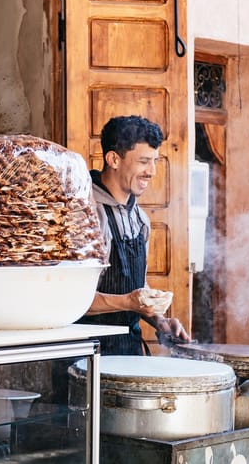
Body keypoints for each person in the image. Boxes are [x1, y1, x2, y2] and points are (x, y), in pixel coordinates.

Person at [77, 115, 191, 355]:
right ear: (113, 159)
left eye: (154, 161)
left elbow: (137, 286)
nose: (152, 172)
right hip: (86, 355)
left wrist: (159, 320)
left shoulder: (140, 219)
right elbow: (70, 298)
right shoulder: (85, 214)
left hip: (129, 352)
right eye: (143, 161)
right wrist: (129, 301)